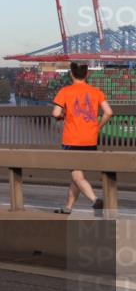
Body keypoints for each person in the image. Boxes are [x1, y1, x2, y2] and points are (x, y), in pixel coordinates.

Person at [52, 62, 113, 214]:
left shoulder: (65, 91)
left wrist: (63, 115)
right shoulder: (96, 92)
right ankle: (68, 207)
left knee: (77, 175)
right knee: (77, 176)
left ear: (71, 74)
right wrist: (97, 128)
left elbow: (55, 113)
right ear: (87, 75)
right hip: (90, 141)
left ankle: (95, 200)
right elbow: (109, 112)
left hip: (72, 140)